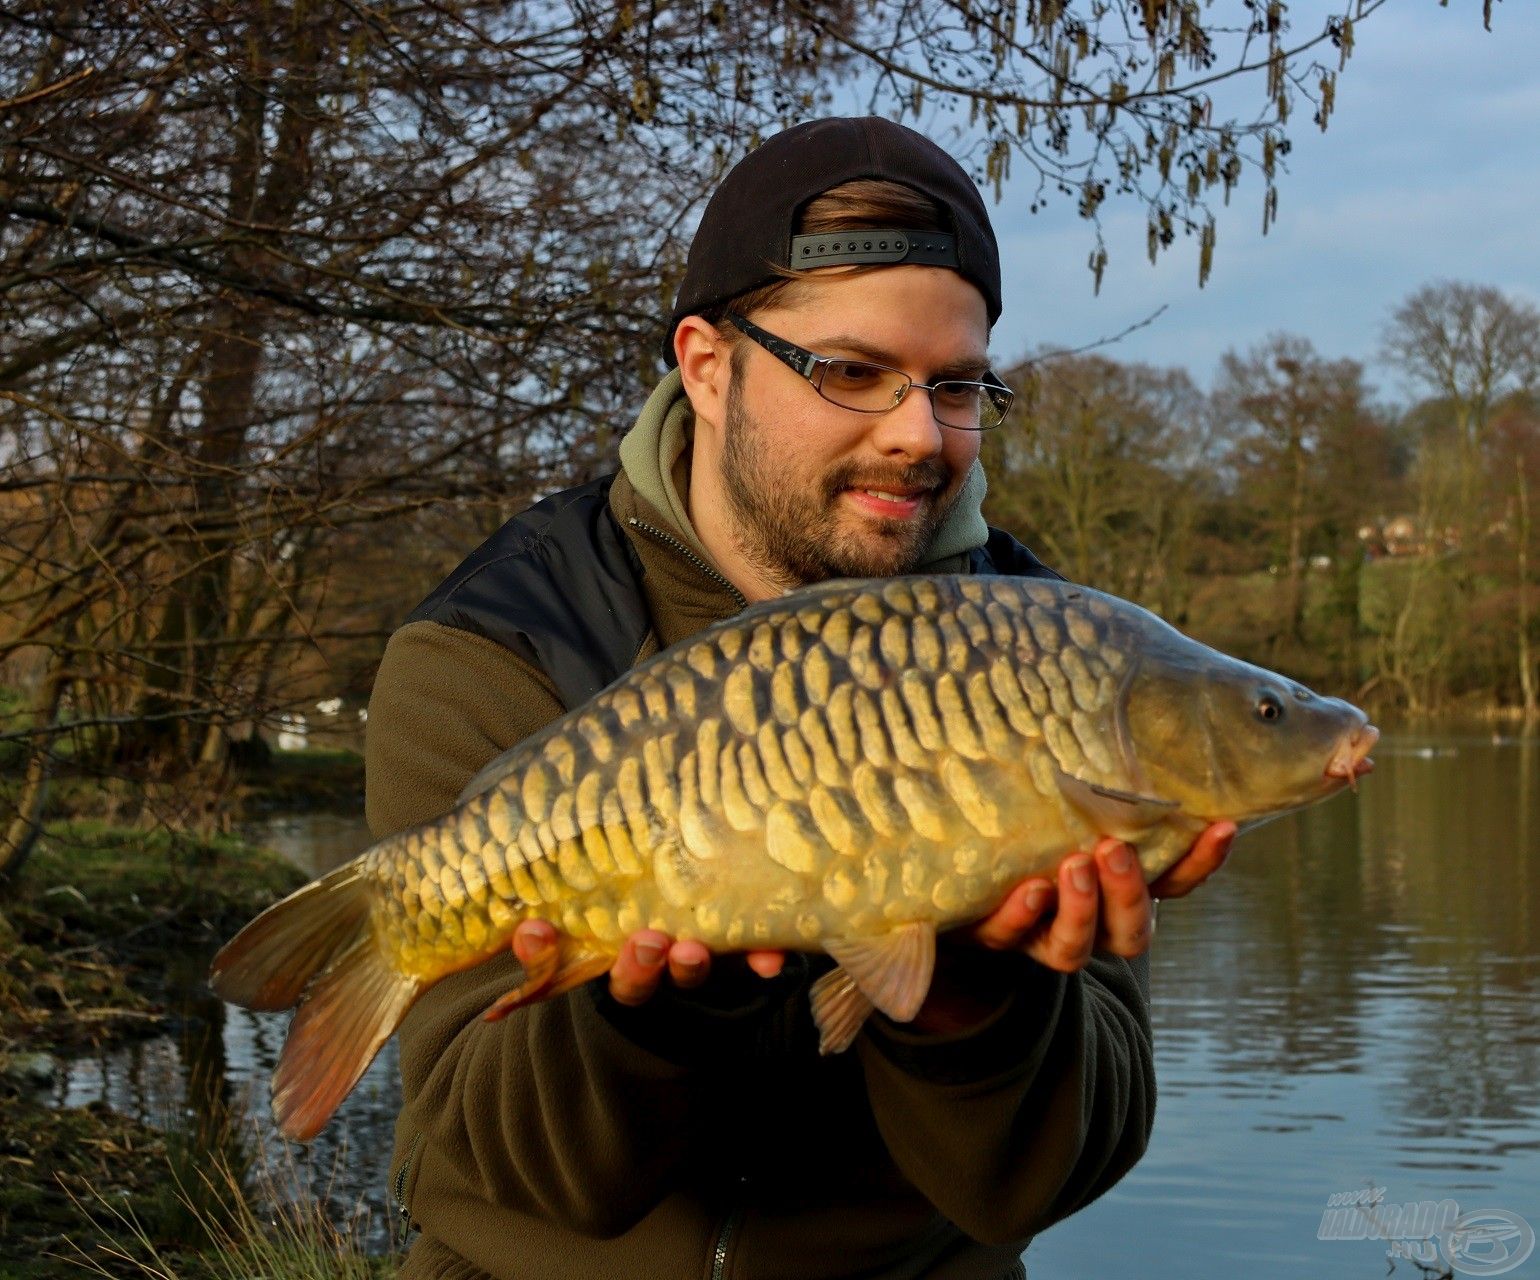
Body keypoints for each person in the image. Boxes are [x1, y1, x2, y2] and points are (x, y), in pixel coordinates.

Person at [365, 116, 1233, 1280]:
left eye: (958, 384)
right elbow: (512, 1166)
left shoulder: (1059, 662)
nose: (919, 434)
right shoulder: (497, 641)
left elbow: (1039, 1180)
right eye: (851, 372)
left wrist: (969, 996)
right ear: (708, 367)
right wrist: (656, 1013)